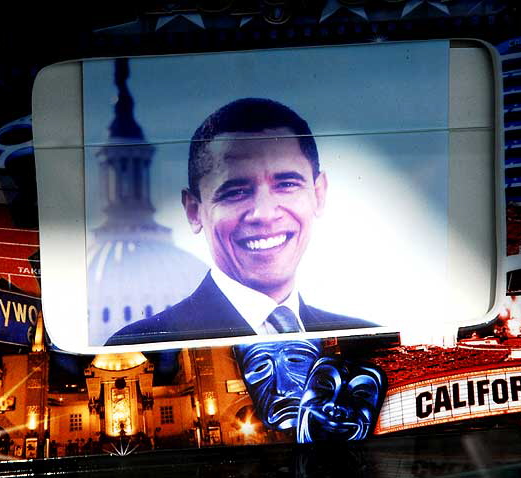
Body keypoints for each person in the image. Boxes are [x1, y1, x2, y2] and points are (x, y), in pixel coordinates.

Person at [107, 98, 374, 345]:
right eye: (236, 192)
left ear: (318, 194)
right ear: (193, 211)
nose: (265, 213)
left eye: (287, 184)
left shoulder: (366, 340)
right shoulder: (140, 347)